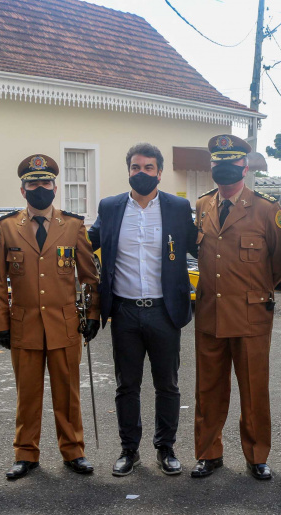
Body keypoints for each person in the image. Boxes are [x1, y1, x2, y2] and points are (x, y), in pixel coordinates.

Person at [88, 143, 198, 477]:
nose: (142, 173)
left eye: (149, 168)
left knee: (167, 385)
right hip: (124, 311)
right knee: (127, 386)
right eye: (136, 167)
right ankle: (129, 450)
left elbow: (204, 246)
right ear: (129, 171)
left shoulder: (178, 208)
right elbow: (84, 244)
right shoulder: (110, 207)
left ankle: (166, 448)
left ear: (160, 173)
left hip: (165, 311)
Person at [0, 154, 101, 480]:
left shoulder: (73, 226)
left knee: (68, 392)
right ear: (23, 190)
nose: (40, 188)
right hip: (23, 324)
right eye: (33, 183)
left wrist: (92, 314)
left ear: (55, 187)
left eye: (46, 183)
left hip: (65, 323)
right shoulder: (7, 228)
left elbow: (90, 276)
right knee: (28, 394)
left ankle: (74, 451)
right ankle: (25, 454)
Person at [191, 134, 281, 480]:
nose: (225, 169)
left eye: (232, 162)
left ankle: (257, 455)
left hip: (251, 314)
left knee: (254, 389)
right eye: (218, 163)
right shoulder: (203, 205)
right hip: (209, 313)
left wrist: (254, 291)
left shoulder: (266, 209)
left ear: (244, 167)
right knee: (208, 389)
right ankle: (208, 453)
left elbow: (280, 262)